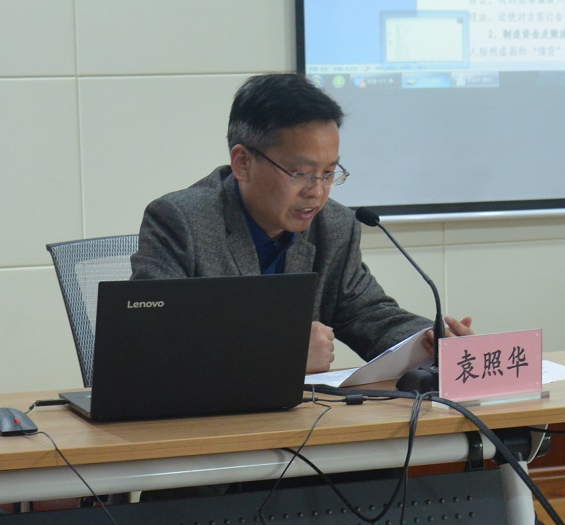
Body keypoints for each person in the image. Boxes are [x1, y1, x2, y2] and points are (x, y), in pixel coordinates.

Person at [131, 73, 473, 372]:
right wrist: (281, 352)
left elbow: (367, 314)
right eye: (302, 173)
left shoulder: (334, 226)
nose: (317, 192)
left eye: (328, 173)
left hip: (298, 418)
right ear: (242, 163)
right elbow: (153, 345)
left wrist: (433, 341)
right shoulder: (181, 222)